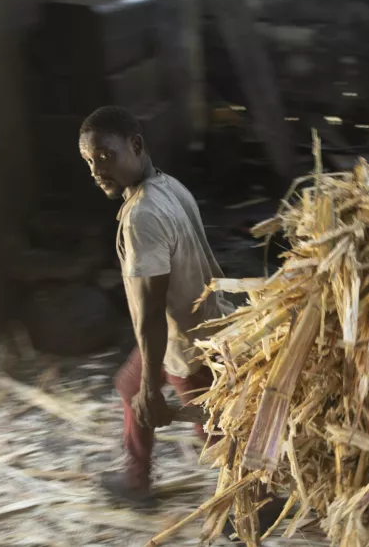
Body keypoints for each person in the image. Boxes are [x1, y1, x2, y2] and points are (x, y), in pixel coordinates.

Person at [79, 106, 234, 508]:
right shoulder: (169, 186)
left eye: (105, 156)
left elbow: (151, 310)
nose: (96, 170)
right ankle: (137, 481)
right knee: (128, 388)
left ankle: (253, 504)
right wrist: (143, 385)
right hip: (188, 328)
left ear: (135, 146)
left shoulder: (142, 216)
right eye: (89, 161)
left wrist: (152, 387)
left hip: (185, 343)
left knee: (213, 432)